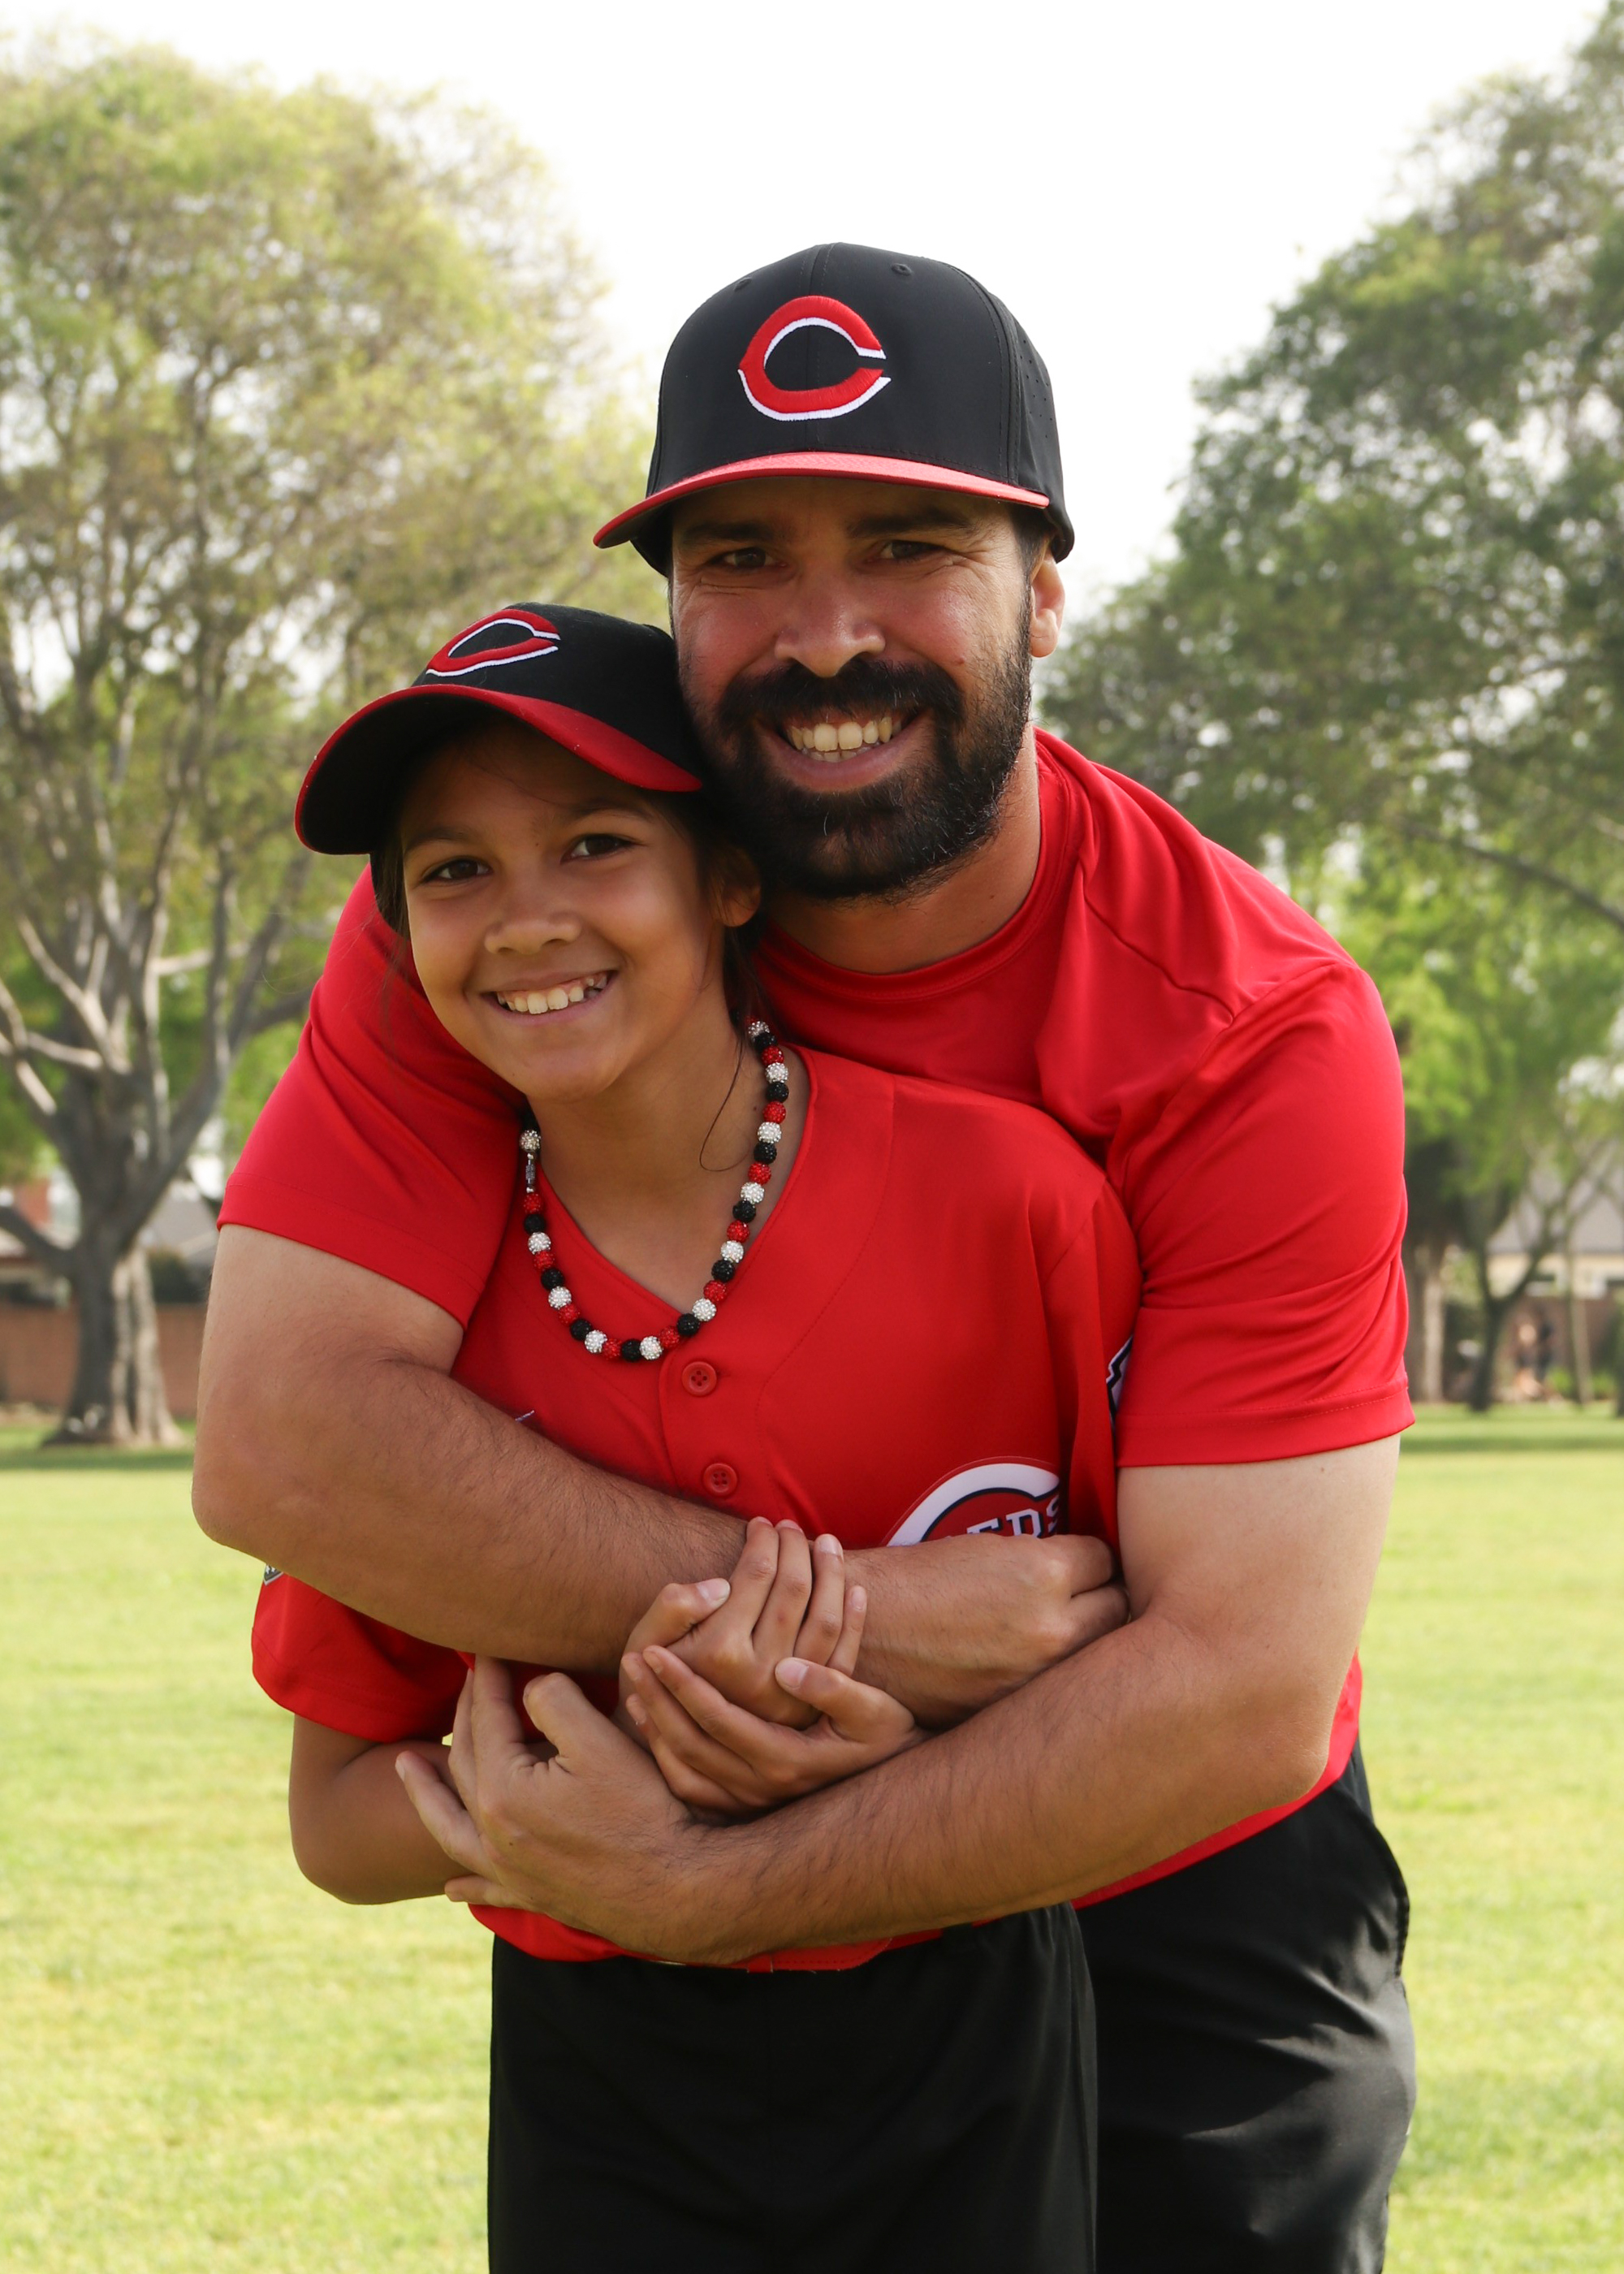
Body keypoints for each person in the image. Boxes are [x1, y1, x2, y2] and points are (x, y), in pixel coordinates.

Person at [197, 244, 1416, 2271]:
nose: (824, 632)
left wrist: (703, 1883)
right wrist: (867, 1623)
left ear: (1042, 586)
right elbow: (284, 1438)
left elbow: (1232, 1687)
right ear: (671, 602)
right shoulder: (525, 913)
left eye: (910, 546)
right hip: (680, 1925)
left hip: (1164, 1868)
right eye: (743, 557)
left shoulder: (1247, 1024)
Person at [254, 603, 1138, 2270]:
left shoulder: (1009, 1202)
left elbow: (1145, 1639)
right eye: (453, 870)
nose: (527, 919)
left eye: (594, 844)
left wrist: (867, 1753)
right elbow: (335, 1817)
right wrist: (590, 1791)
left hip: (968, 2016)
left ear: (732, 875)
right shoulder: (414, 1358)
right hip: (600, 2064)